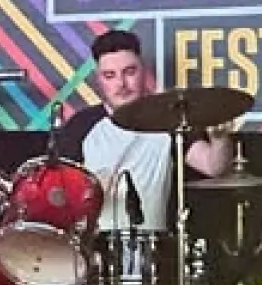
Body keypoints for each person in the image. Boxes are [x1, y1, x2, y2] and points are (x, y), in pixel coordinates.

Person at [46, 28, 234, 232]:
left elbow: (213, 167)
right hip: (92, 248)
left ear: (144, 72)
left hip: (155, 247)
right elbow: (56, 192)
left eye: (129, 72)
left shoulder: (169, 116)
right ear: (98, 80)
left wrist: (220, 138)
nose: (121, 84)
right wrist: (87, 191)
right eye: (110, 75)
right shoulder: (81, 124)